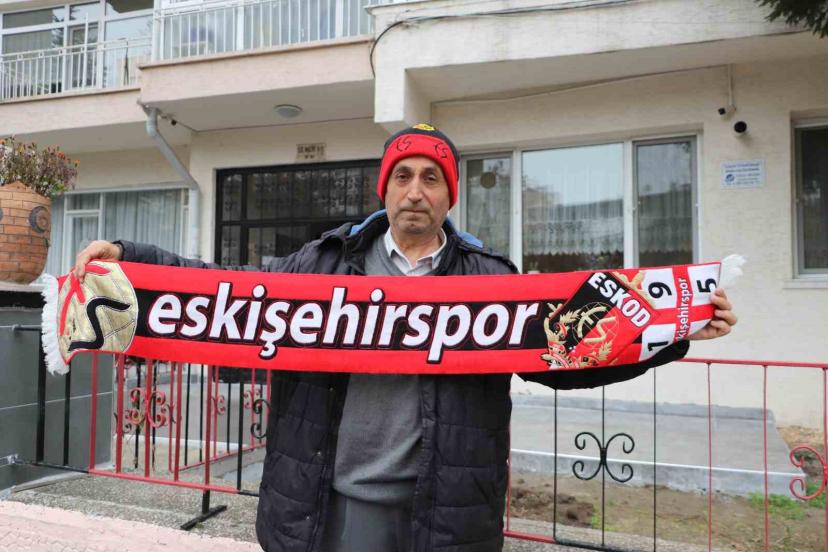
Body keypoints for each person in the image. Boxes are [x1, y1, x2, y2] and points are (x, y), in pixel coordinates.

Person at [72, 124, 737, 552]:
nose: (415, 190)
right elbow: (224, 291)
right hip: (327, 508)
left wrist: (673, 330)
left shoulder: (490, 281)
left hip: (442, 517)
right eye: (402, 176)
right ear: (384, 189)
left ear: (450, 195)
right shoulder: (320, 266)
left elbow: (566, 351)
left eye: (431, 177)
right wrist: (132, 260)